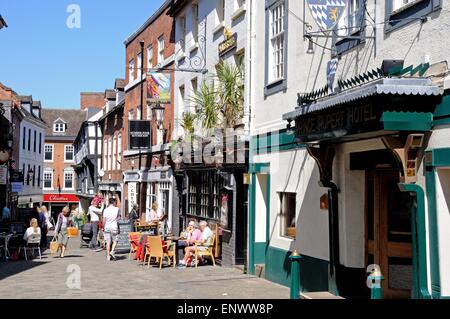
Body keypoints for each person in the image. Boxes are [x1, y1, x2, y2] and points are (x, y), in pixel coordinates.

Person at [103, 197, 120, 261]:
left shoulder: (105, 210)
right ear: (114, 202)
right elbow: (118, 218)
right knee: (115, 241)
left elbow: (104, 220)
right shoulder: (117, 209)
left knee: (108, 242)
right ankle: (112, 251)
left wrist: (103, 227)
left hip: (107, 227)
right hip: (114, 227)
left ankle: (108, 257)